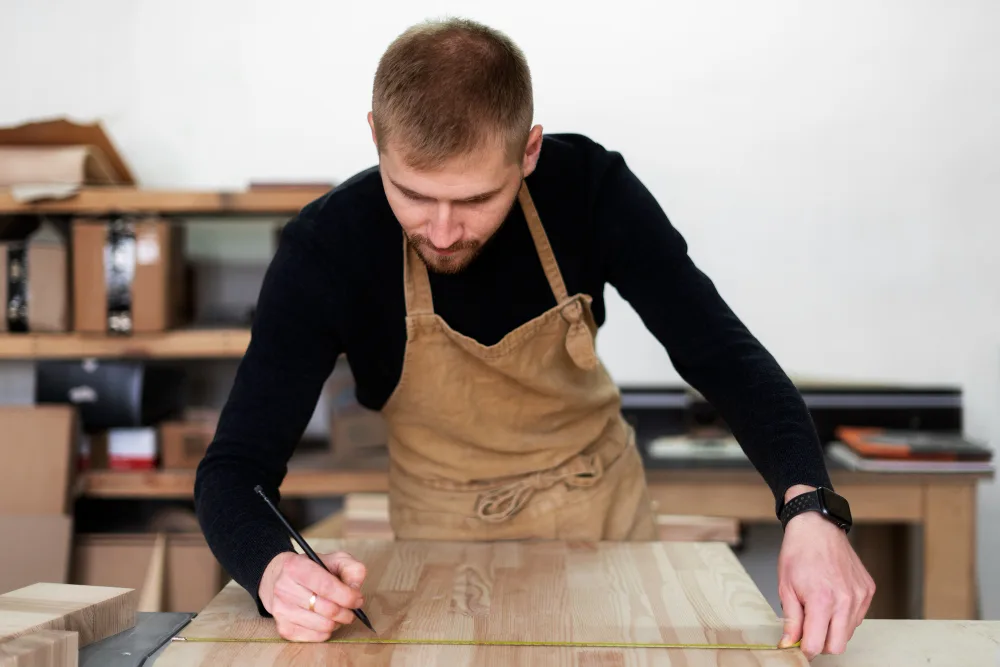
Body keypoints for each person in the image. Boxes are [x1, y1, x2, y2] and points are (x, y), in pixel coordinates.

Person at [194, 17, 874, 660]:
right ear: (376, 136)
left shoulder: (590, 193)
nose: (441, 229)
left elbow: (722, 356)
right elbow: (235, 468)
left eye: (474, 199)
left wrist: (811, 507)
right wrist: (273, 568)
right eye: (412, 193)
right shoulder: (328, 248)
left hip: (606, 530)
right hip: (441, 546)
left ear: (529, 150)